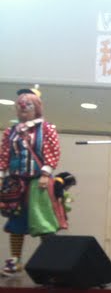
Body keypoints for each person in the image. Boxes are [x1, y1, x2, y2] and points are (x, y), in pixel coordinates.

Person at [0, 87, 62, 276]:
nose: (23, 109)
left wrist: (45, 173)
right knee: (16, 221)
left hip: (38, 182)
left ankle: (49, 260)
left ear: (36, 108)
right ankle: (15, 260)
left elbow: (53, 152)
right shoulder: (11, 131)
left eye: (27, 105)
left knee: (43, 222)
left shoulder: (46, 129)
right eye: (20, 106)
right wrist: (1, 174)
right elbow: (4, 154)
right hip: (15, 182)